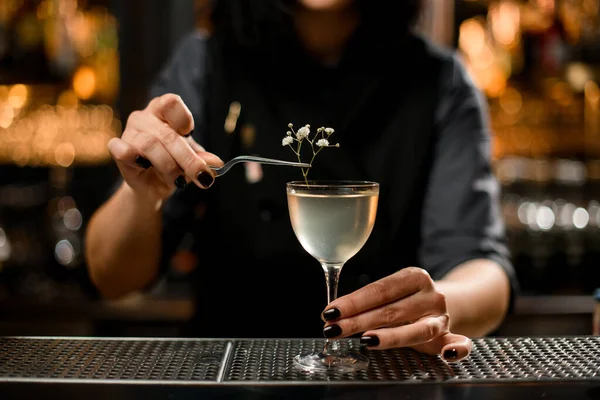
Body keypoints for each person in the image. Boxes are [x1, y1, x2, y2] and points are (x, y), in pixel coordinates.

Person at [85, 0, 517, 362]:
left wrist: (439, 305)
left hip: (385, 380)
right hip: (234, 378)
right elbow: (113, 279)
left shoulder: (440, 82)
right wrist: (142, 195)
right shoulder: (208, 63)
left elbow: (483, 267)